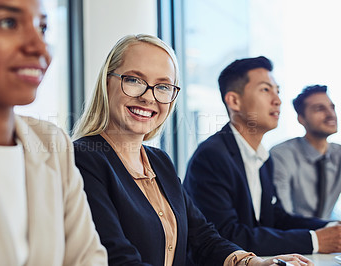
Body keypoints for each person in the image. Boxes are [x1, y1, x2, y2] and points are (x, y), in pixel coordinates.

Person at [72, 35, 312, 265]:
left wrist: (253, 262)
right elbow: (117, 258)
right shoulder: (83, 158)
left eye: (163, 86)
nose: (149, 97)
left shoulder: (159, 161)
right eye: (134, 80)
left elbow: (203, 239)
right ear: (107, 82)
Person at [0, 0, 107, 265]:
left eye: (42, 28)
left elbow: (88, 258)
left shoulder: (52, 145)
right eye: (8, 23)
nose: (39, 47)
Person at [183, 56, 341, 256]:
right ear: (234, 101)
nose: (278, 100)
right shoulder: (211, 156)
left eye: (278, 91)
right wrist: (313, 241)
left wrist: (330, 227)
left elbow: (276, 218)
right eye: (266, 90)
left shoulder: (262, 157)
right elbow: (225, 236)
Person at [270, 85, 341, 219]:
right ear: (301, 118)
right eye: (320, 109)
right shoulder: (282, 155)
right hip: (294, 236)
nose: (331, 114)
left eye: (332, 107)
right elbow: (284, 217)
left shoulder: (338, 154)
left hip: (331, 233)